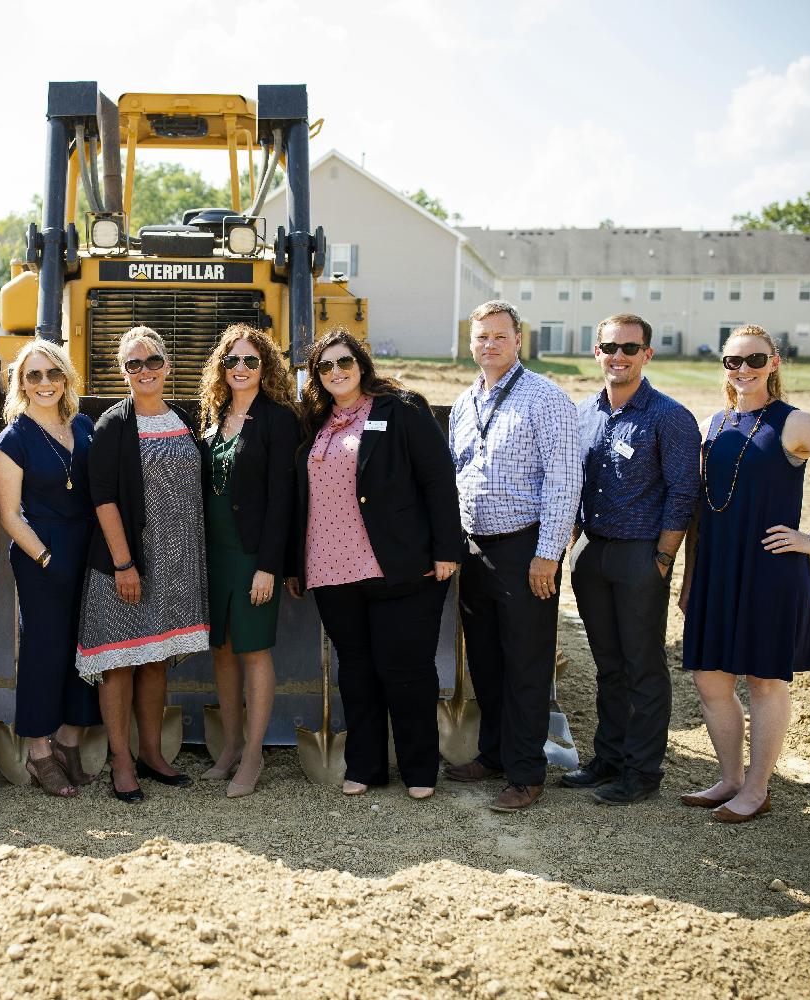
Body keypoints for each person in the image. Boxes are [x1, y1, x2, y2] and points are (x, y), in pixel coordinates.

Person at [680, 325, 810, 823]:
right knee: (709, 680)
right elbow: (700, 512)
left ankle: (756, 787)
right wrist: (689, 580)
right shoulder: (713, 423)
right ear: (723, 366)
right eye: (732, 361)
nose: (742, 369)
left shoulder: (796, 423)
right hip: (716, 569)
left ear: (774, 362)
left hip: (770, 569)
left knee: (764, 680)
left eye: (754, 359)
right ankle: (728, 778)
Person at [287, 330, 461, 799]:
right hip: (330, 570)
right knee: (357, 671)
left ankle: (419, 768)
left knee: (405, 669)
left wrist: (447, 549)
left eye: (343, 362)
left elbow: (438, 479)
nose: (335, 372)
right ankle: (366, 765)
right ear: (316, 377)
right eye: (324, 367)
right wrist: (293, 564)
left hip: (397, 565)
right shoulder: (315, 421)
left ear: (361, 363)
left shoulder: (400, 409)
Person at [446, 300, 581, 812]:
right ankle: (495, 753)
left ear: (518, 340)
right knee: (485, 658)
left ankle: (526, 772)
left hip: (527, 548)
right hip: (476, 547)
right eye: (481, 336)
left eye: (500, 336)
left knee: (526, 662)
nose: (490, 345)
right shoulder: (465, 402)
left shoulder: (547, 399)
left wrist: (548, 555)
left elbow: (566, 482)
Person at [565, 314, 699, 805]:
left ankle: (642, 772)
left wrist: (663, 557)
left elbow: (684, 491)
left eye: (629, 347)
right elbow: (573, 484)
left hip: (641, 555)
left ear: (647, 354)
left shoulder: (669, 416)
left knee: (642, 665)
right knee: (607, 665)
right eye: (609, 347)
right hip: (592, 553)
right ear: (597, 352)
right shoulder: (583, 413)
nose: (618, 356)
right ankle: (608, 758)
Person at [77, 326, 209, 803]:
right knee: (119, 662)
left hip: (175, 565)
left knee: (155, 661)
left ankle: (152, 754)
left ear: (167, 367)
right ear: (123, 372)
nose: (145, 371)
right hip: (127, 564)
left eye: (153, 361)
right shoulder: (114, 424)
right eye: (134, 364)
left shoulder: (185, 420)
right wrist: (124, 564)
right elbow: (104, 498)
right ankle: (121, 760)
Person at [0, 339, 100, 797]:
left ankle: (70, 742)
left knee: (88, 647)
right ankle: (38, 752)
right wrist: (47, 558)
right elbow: (10, 515)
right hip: (43, 554)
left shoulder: (84, 425)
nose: (45, 383)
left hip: (91, 549)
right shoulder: (13, 439)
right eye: (33, 375)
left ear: (66, 378)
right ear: (21, 383)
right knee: (44, 650)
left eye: (53, 373)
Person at [194, 324, 300, 798]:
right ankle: (231, 744)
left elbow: (284, 499)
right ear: (221, 367)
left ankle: (254, 754)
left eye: (250, 361)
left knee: (253, 649)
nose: (240, 368)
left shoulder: (278, 419)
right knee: (222, 648)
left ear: (265, 368)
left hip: (253, 555)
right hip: (213, 554)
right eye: (231, 360)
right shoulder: (213, 416)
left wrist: (269, 566)